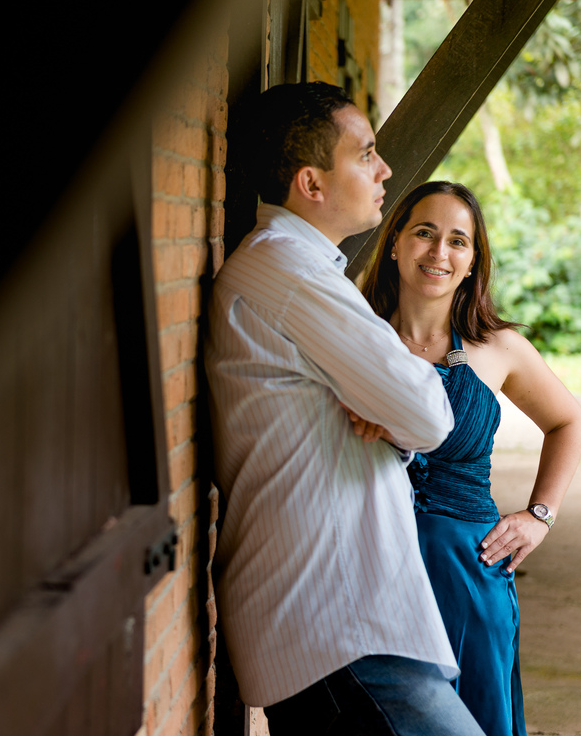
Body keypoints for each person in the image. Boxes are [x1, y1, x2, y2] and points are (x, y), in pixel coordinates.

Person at [206, 82, 485, 736]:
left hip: (346, 620)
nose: (384, 169)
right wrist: (395, 412)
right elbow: (431, 415)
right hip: (337, 625)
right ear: (311, 181)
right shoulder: (290, 272)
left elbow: (412, 415)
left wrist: (390, 413)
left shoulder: (306, 269)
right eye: (365, 154)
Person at [356, 180, 581, 736]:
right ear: (394, 243)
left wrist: (540, 516)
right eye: (424, 233)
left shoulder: (496, 347)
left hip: (468, 576)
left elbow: (568, 422)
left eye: (458, 241)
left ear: (472, 260)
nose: (439, 252)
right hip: (371, 569)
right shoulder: (353, 335)